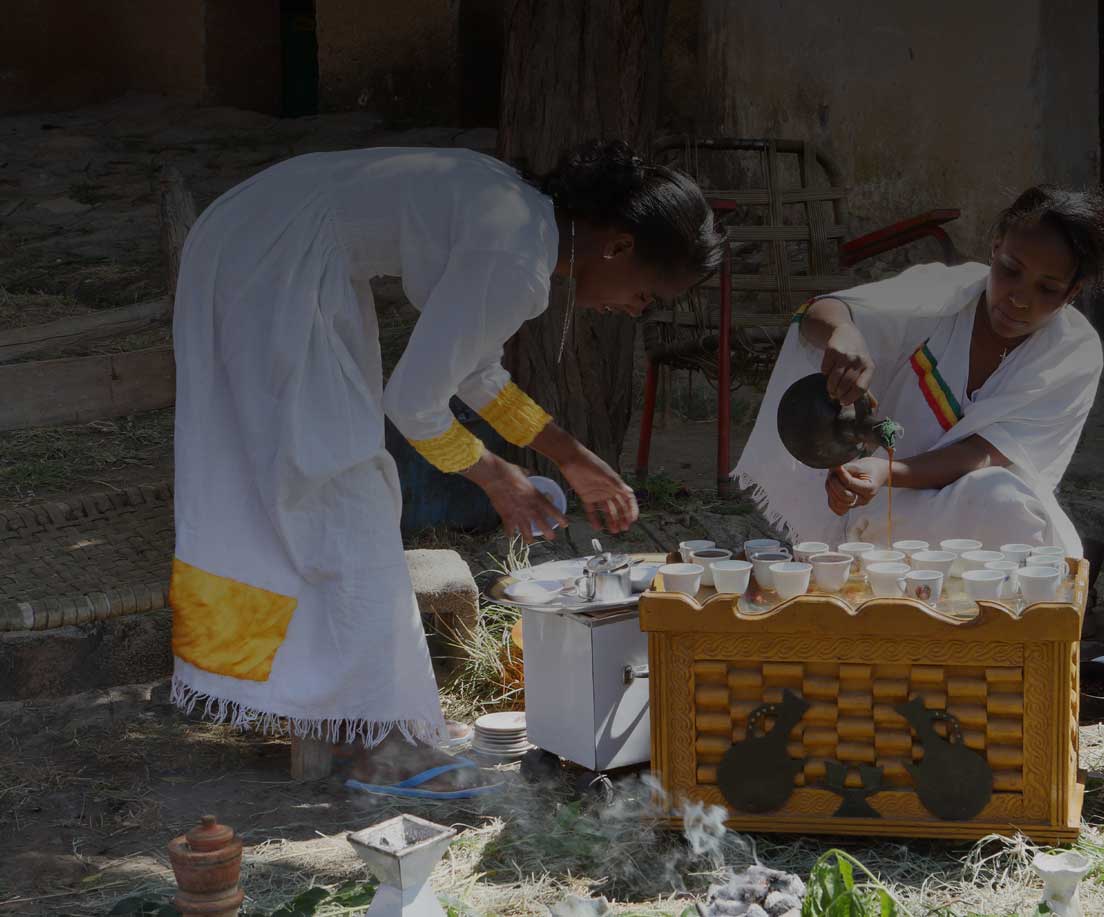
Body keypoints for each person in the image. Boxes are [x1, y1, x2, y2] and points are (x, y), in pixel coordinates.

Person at [169, 140, 723, 793]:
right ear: (620, 247)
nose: (637, 311)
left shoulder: (523, 219)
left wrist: (570, 456)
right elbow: (414, 402)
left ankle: (351, 711)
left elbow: (473, 372)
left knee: (327, 486)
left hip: (270, 241)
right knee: (339, 488)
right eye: (648, 296)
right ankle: (378, 739)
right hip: (267, 257)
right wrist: (497, 477)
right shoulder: (516, 258)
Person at [734, 185, 1104, 556]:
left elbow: (982, 454)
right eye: (1010, 270)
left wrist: (883, 469)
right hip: (887, 505)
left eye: (1047, 289)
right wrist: (845, 330)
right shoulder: (943, 294)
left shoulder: (1072, 353)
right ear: (995, 250)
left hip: (962, 505)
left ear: (1073, 292)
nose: (1019, 299)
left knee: (1004, 503)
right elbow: (821, 312)